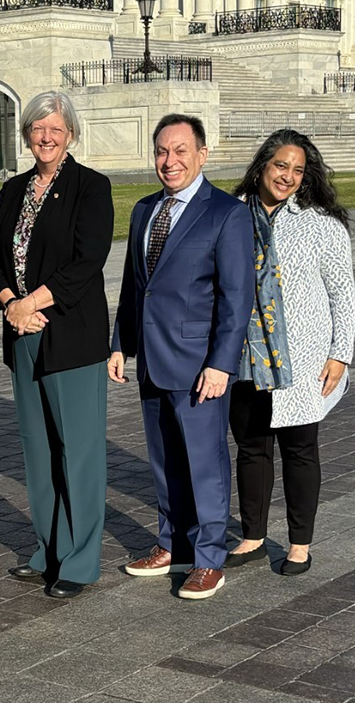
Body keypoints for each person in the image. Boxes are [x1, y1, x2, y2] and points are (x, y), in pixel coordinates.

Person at [109, 113, 254, 601]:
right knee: (164, 460)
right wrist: (120, 343)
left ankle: (210, 557)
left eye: (180, 151)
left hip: (199, 367)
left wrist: (221, 363)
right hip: (151, 359)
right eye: (161, 152)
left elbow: (237, 298)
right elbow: (136, 288)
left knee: (204, 463)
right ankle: (171, 544)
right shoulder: (144, 209)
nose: (169, 162)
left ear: (202, 155)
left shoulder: (227, 214)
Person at [0, 92, 114, 599]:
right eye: (37, 129)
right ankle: (49, 550)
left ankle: (79, 562)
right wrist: (10, 303)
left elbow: (87, 261)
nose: (45, 137)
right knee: (38, 450)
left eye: (55, 129)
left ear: (71, 134)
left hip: (70, 337)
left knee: (78, 451)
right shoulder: (13, 190)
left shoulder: (90, 187)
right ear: (26, 135)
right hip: (23, 335)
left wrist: (31, 301)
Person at [226, 129, 355, 576]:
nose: (288, 176)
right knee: (251, 446)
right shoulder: (231, 215)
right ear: (263, 164)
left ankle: (300, 543)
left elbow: (343, 294)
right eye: (281, 165)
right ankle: (253, 536)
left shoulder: (321, 223)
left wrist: (341, 354)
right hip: (245, 355)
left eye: (298, 170)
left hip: (302, 357)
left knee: (300, 448)